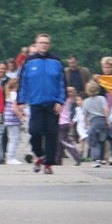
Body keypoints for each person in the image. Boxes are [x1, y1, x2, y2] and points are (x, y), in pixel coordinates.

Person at [15, 33, 67, 175]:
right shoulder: (29, 61)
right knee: (34, 131)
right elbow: (23, 82)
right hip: (36, 103)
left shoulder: (56, 61)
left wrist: (60, 101)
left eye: (46, 43)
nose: (43, 45)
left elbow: (62, 84)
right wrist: (21, 101)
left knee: (51, 133)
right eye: (41, 42)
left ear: (49, 45)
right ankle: (39, 154)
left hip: (52, 103)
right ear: (36, 44)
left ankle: (48, 164)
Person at [82, 80, 110, 167]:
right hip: (103, 121)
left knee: (94, 142)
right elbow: (106, 110)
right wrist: (108, 120)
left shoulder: (86, 101)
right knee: (102, 140)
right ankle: (102, 158)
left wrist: (86, 124)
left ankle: (96, 160)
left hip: (93, 122)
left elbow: (85, 115)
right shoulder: (102, 98)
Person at [2, 78, 26, 164]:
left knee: (13, 138)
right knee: (14, 139)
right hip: (13, 120)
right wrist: (21, 116)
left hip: (8, 119)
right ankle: (11, 158)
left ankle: (10, 157)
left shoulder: (9, 94)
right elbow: (14, 108)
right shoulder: (15, 94)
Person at [58, 86, 83, 165]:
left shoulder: (61, 100)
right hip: (67, 122)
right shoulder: (72, 100)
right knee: (58, 142)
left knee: (65, 141)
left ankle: (77, 156)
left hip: (62, 122)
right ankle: (57, 160)